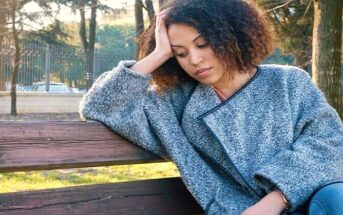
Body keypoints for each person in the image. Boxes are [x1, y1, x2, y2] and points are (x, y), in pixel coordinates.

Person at [79, 0, 343, 214]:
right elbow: (99, 106)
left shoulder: (288, 83)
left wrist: (278, 197)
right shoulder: (173, 104)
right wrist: (157, 54)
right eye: (180, 53)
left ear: (231, 35)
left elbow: (331, 143)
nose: (194, 60)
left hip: (312, 201)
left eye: (203, 44)